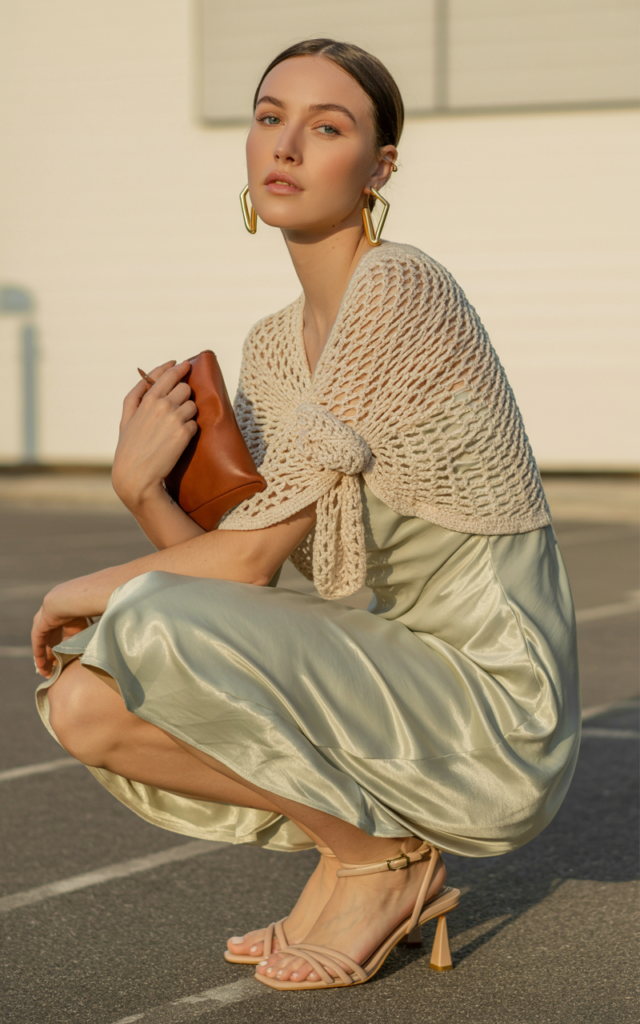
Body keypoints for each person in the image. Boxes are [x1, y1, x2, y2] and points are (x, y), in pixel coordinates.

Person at [32, 39, 580, 992]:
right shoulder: (275, 348)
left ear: (379, 169)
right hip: (390, 671)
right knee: (88, 704)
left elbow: (238, 571)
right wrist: (141, 491)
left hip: (492, 703)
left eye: (327, 128)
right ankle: (360, 843)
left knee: (141, 615)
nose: (285, 145)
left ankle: (381, 864)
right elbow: (247, 577)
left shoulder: (403, 291)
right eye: (269, 117)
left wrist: (70, 591)